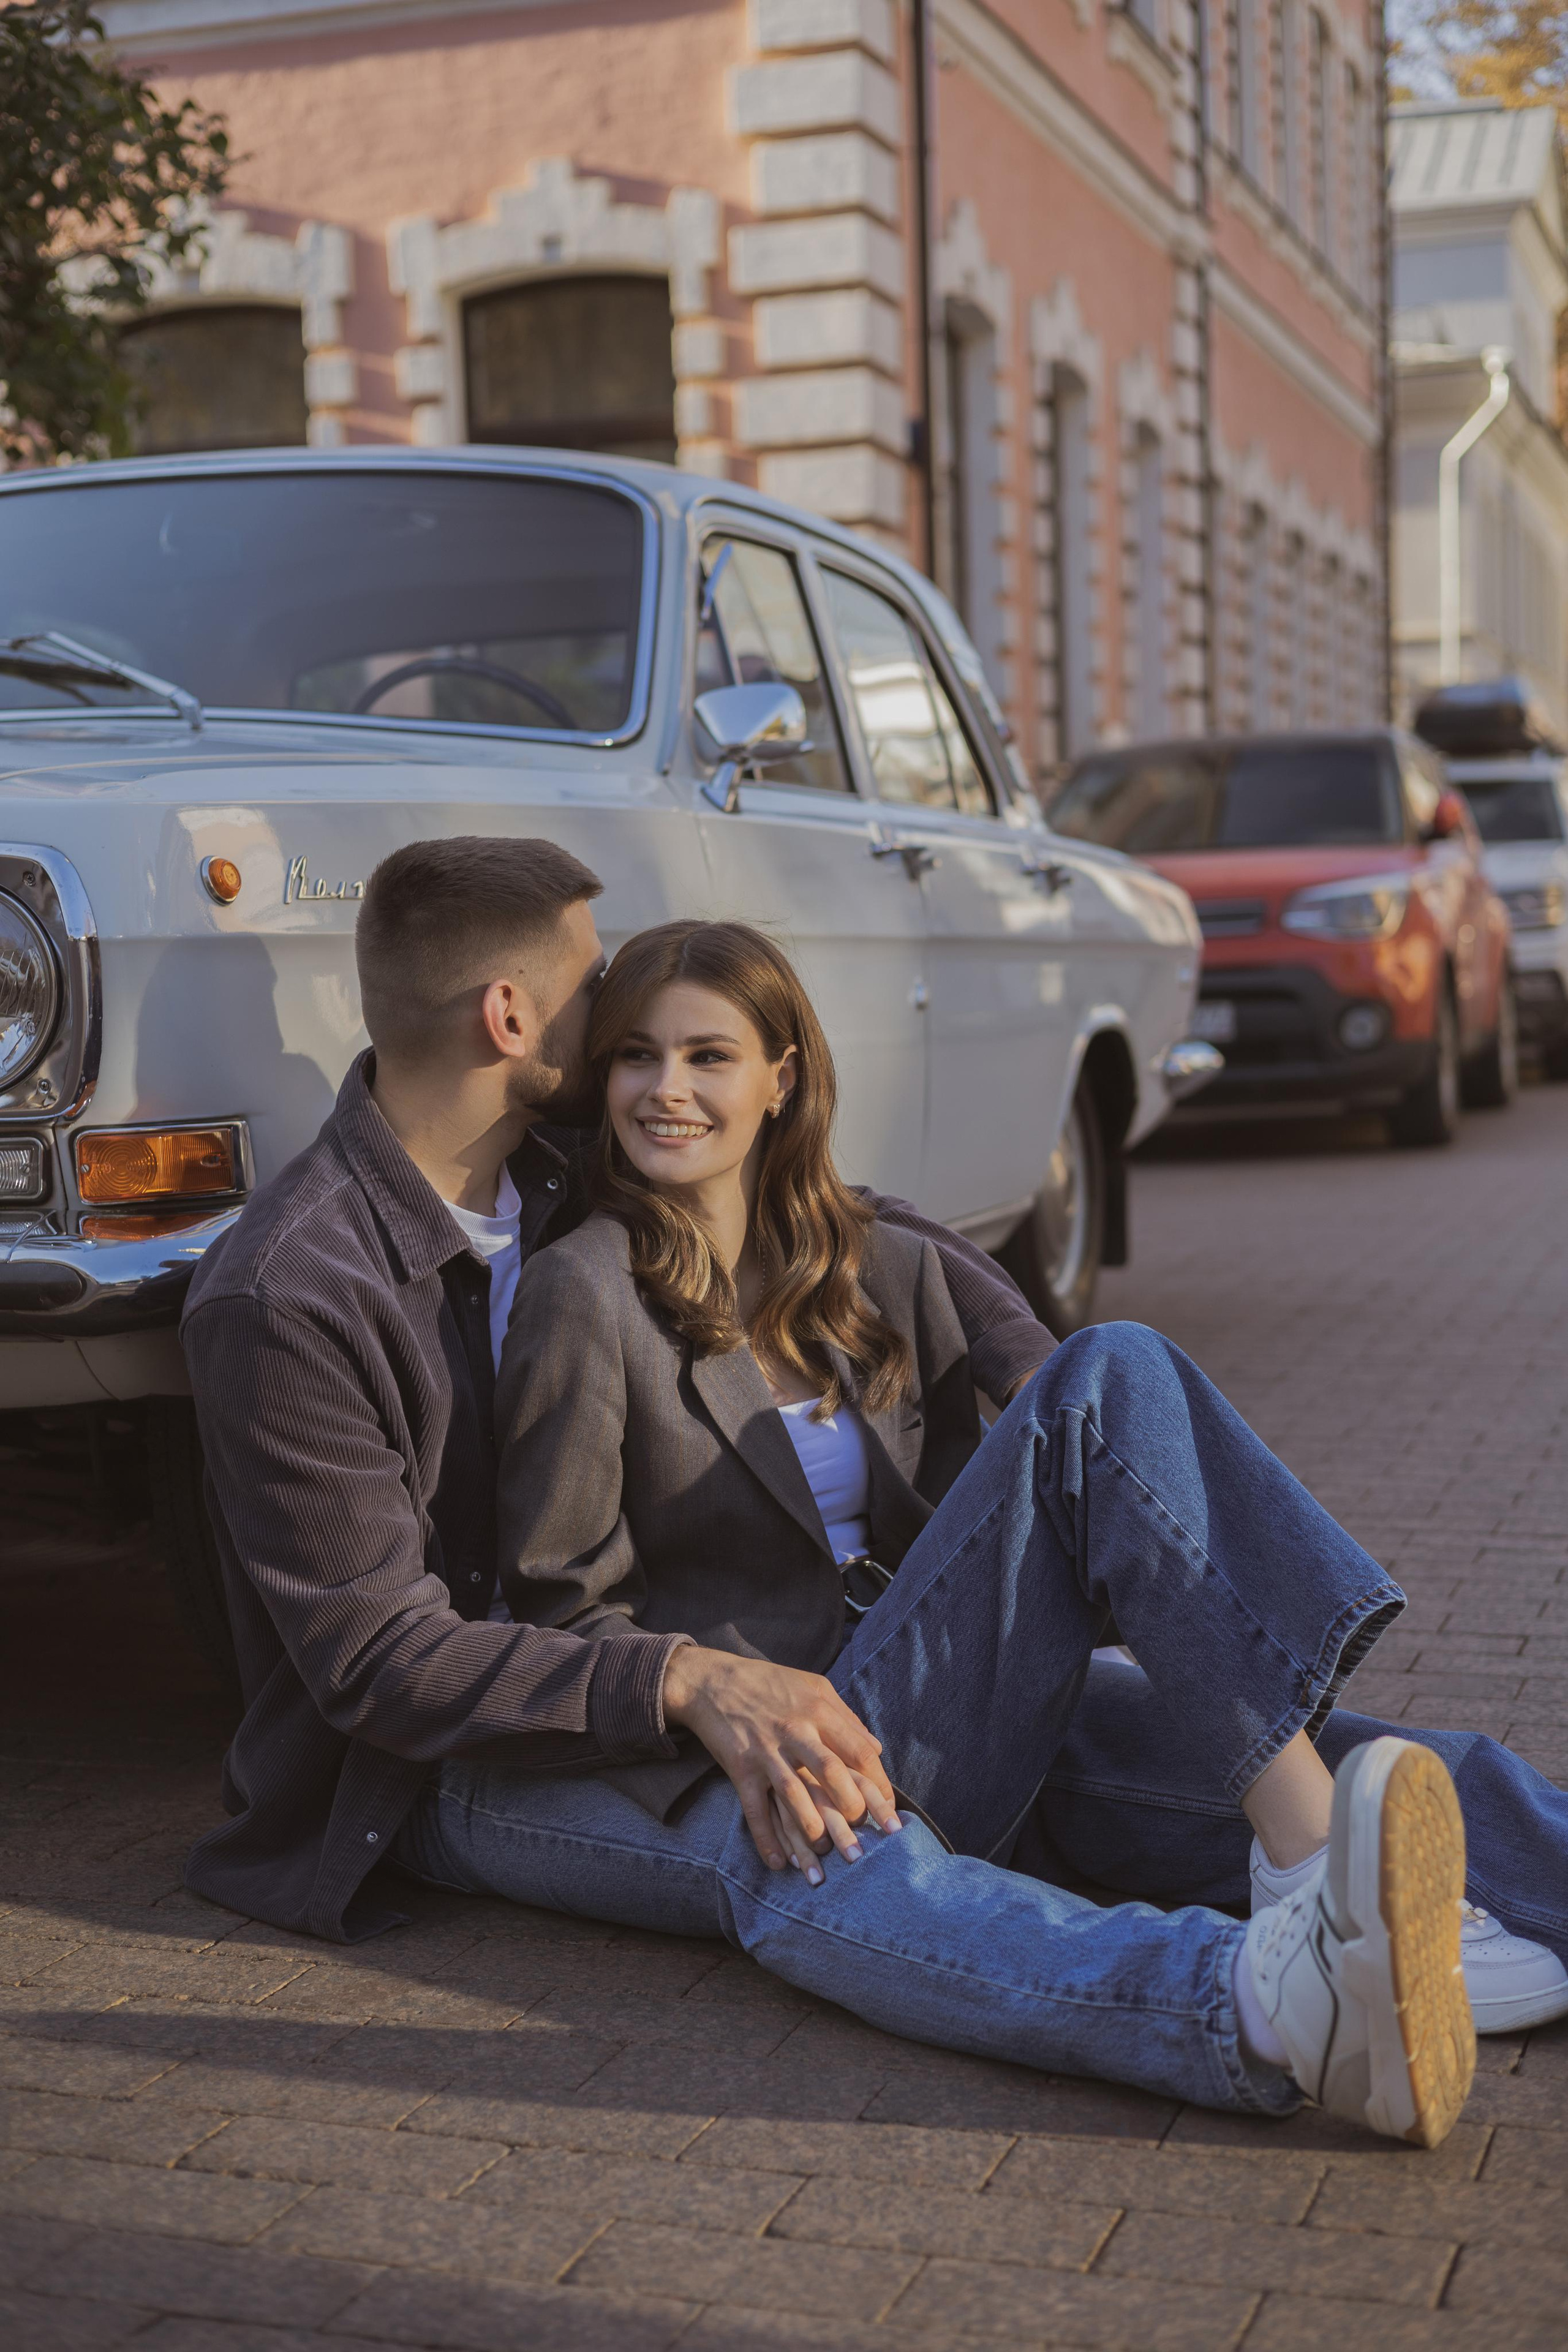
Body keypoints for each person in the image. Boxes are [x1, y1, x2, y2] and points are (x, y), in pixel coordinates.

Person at [391, 918, 1568, 2152]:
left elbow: (1063, 1415)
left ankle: (1360, 1854)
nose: (666, 1091)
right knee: (1117, 1394)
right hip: (788, 1742)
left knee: (1364, 1748)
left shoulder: (872, 1261)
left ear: (780, 1076)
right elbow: (560, 1599)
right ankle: (1308, 1867)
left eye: (707, 1056)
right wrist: (724, 1716)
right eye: (635, 1058)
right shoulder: (587, 1290)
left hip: (949, 1697)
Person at [179, 838, 1057, 1942]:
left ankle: (1339, 1848)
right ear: (510, 1017)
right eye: (593, 985)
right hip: (429, 1770)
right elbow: (377, 1668)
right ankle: (1247, 2001)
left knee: (1142, 1752)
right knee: (834, 1853)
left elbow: (846, 1212)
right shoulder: (288, 1292)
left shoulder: (563, 1156)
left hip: (659, 1688)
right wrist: (688, 1684)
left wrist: (1031, 1366)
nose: (615, 1014)